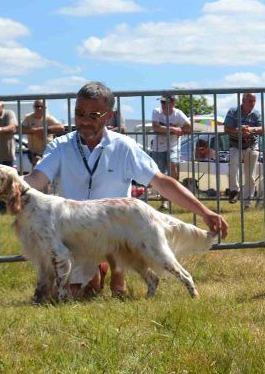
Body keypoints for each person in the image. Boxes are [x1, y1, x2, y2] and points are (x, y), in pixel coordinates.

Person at [25, 82, 228, 298]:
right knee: (78, 294)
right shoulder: (60, 146)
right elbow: (35, 179)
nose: (84, 121)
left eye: (93, 115)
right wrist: (6, 181)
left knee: (114, 261)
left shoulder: (124, 146)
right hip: (76, 236)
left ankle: (117, 267)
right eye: (79, 113)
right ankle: (97, 271)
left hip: (120, 231)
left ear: (108, 116)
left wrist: (204, 212)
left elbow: (162, 182)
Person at [224, 92, 264, 205]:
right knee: (233, 165)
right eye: (250, 101)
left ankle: (247, 201)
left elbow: (263, 129)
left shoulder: (256, 114)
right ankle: (234, 190)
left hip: (251, 146)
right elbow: (226, 128)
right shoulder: (233, 111)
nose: (253, 103)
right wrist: (239, 130)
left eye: (254, 101)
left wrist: (251, 129)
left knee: (250, 175)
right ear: (243, 101)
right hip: (235, 145)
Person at [20, 99, 65, 165]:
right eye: (37, 106)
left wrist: (44, 130)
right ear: (34, 107)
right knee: (39, 164)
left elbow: (61, 127)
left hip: (48, 150)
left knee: (45, 168)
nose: (39, 108)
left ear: (45, 108)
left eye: (42, 106)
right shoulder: (28, 117)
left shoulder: (48, 118)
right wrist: (35, 131)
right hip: (33, 151)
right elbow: (21, 129)